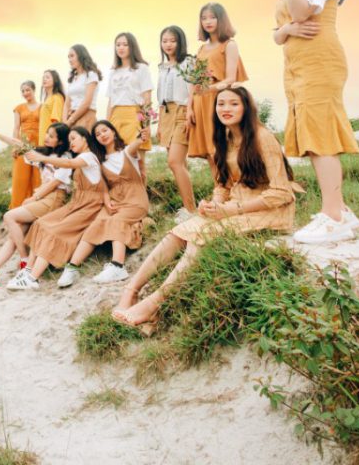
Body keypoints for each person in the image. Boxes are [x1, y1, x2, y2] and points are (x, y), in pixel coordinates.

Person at [113, 87, 297, 333]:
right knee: (178, 232)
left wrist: (233, 210)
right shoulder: (224, 138)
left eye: (234, 104)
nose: (226, 109)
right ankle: (131, 292)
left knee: (200, 238)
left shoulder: (262, 137)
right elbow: (223, 184)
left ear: (246, 107)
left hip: (270, 209)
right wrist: (212, 203)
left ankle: (153, 304)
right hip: (236, 204)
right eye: (221, 104)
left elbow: (282, 192)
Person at [274, 0, 359, 244]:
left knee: (321, 138)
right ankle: (341, 210)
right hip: (299, 67)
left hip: (319, 63)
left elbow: (301, 13)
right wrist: (287, 31)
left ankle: (333, 216)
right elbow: (279, 32)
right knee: (313, 136)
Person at [0, 122, 72, 285]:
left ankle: (24, 259)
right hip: (43, 198)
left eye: (51, 136)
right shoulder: (44, 153)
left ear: (60, 141)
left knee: (9, 216)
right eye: (47, 133)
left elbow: (56, 183)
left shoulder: (65, 157)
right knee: (13, 236)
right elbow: (19, 144)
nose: (46, 137)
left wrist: (35, 197)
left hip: (54, 199)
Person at [7, 126, 108, 290]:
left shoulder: (89, 157)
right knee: (40, 223)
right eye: (69, 140)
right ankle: (28, 270)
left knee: (54, 232)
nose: (71, 143)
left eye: (74, 138)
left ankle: (33, 278)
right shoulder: (82, 157)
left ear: (85, 138)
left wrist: (42, 157)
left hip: (89, 207)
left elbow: (68, 163)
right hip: (77, 203)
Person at [58, 120, 150, 287]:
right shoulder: (100, 161)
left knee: (116, 221)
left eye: (105, 130)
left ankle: (118, 266)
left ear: (113, 131)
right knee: (96, 225)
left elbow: (136, 144)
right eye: (98, 134)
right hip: (115, 201)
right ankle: (72, 267)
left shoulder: (127, 152)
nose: (102, 135)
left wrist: (142, 137)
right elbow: (103, 187)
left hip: (135, 200)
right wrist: (107, 201)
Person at [187, 3, 247, 176]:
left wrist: (210, 89)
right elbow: (194, 81)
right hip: (200, 103)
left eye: (212, 17)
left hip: (218, 101)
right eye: (204, 18)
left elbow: (230, 79)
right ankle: (219, 188)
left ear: (221, 19)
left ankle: (234, 187)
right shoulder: (201, 49)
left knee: (221, 149)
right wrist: (189, 107)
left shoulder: (229, 45)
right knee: (209, 153)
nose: (208, 21)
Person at [157, 25, 196, 215]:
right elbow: (160, 96)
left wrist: (190, 111)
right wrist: (158, 124)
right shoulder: (162, 67)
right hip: (165, 114)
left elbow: (193, 89)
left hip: (182, 111)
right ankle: (189, 206)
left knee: (174, 162)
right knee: (180, 164)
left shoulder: (188, 62)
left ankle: (191, 211)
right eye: (165, 41)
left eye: (172, 40)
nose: (168, 44)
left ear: (180, 42)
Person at [106, 32, 153, 182]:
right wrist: (106, 124)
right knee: (116, 162)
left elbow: (147, 97)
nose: (121, 48)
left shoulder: (141, 68)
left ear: (132, 46)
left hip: (134, 115)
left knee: (138, 162)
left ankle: (141, 196)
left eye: (125, 44)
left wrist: (146, 124)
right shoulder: (113, 72)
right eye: (118, 45)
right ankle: (121, 195)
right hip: (115, 117)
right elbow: (111, 101)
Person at [8, 81, 42, 208]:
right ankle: (17, 208)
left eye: (28, 90)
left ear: (34, 90)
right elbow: (16, 127)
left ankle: (36, 208)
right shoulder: (19, 108)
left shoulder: (42, 107)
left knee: (37, 177)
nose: (25, 93)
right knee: (20, 178)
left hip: (39, 145)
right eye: (23, 91)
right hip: (23, 144)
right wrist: (15, 146)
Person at [63, 44, 102, 131]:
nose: (69, 60)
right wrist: (64, 122)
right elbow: (67, 103)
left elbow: (87, 103)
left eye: (72, 56)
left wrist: (70, 120)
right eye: (68, 57)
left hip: (86, 116)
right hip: (71, 117)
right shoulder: (73, 77)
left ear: (81, 55)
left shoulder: (91, 75)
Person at [38, 70, 66, 145]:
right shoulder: (47, 99)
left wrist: (52, 140)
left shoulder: (57, 97)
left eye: (47, 77)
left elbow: (56, 121)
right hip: (43, 138)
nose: (44, 79)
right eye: (43, 77)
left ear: (55, 80)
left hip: (49, 141)